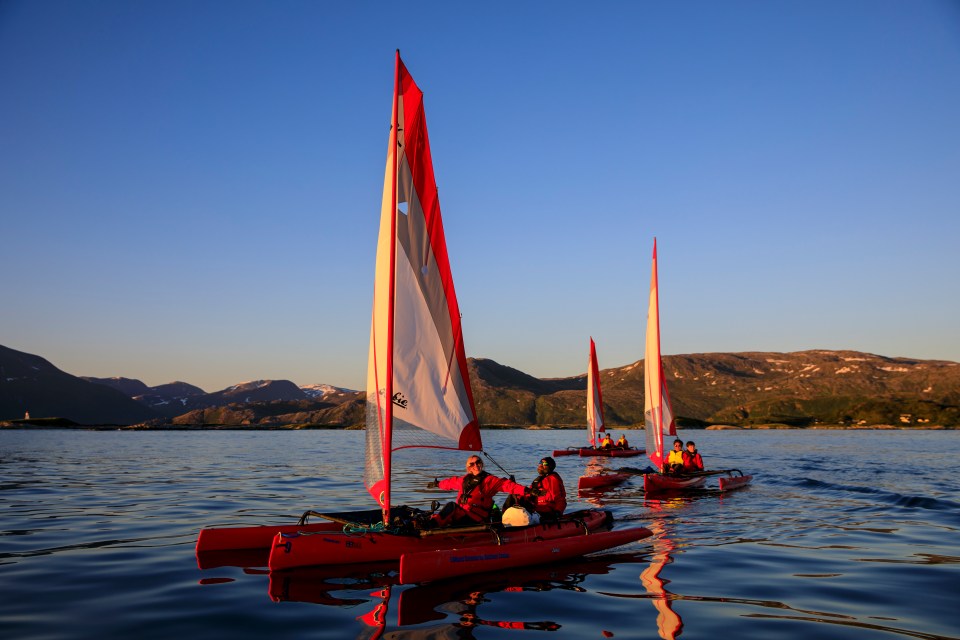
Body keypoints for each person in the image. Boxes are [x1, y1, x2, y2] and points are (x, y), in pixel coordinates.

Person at [426, 455, 525, 528]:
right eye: (472, 464)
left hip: (476, 518)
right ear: (468, 468)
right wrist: (437, 484)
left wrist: (526, 490)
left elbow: (507, 485)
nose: (476, 466)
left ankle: (431, 525)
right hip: (462, 515)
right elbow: (450, 483)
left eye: (478, 462)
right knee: (433, 514)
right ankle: (429, 523)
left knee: (451, 506)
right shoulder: (464, 480)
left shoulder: (489, 480)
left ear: (482, 464)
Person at [504, 456, 566, 521]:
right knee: (512, 497)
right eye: (540, 463)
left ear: (550, 466)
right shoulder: (538, 480)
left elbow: (560, 499)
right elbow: (528, 494)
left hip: (547, 512)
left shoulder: (553, 479)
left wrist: (557, 512)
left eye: (545, 464)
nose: (541, 465)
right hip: (536, 509)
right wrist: (514, 485)